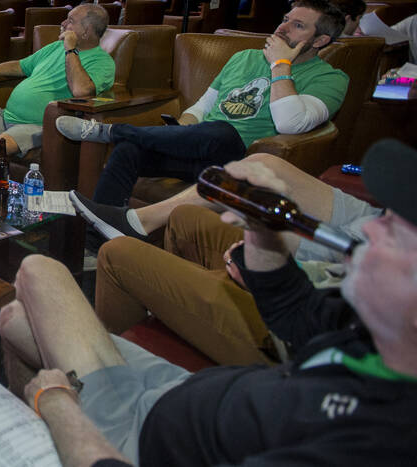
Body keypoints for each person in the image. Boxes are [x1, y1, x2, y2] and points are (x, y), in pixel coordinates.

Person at [0, 140, 417, 466]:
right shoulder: (375, 334)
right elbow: (294, 310)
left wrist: (54, 404)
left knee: (35, 275)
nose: (371, 233)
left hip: (138, 439)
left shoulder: (372, 443)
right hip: (182, 392)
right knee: (15, 317)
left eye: (395, 235)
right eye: (385, 218)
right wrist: (260, 231)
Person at [59, 0, 350, 233]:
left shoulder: (331, 78)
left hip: (243, 161)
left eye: (298, 25)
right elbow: (202, 106)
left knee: (222, 131)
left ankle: (110, 130)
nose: (283, 28)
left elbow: (290, 122)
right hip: (201, 148)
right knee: (129, 149)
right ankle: (100, 240)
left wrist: (281, 65)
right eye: (286, 19)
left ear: (320, 40)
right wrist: (180, 131)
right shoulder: (243, 57)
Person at [94, 152, 382, 366]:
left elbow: (343, 287)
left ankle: (111, 380)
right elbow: (364, 237)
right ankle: (172, 319)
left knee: (116, 254)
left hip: (308, 323)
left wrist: (274, 271)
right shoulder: (388, 232)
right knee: (185, 218)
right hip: (335, 267)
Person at [0, 4, 115, 165]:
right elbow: (21, 65)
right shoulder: (55, 47)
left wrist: (71, 50)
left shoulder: (102, 62)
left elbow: (81, 91)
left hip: (41, 125)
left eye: (70, 21)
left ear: (85, 31)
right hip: (9, 116)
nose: (63, 24)